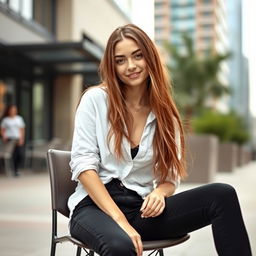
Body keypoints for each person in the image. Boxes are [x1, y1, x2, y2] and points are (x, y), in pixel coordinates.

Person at [68, 24, 252, 256]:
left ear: (150, 57)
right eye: (120, 60)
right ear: (112, 66)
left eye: (137, 56)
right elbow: (84, 166)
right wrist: (120, 221)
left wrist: (159, 193)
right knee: (120, 246)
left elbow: (169, 178)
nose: (131, 66)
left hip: (140, 209)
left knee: (222, 195)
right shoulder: (95, 100)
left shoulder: (165, 114)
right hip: (94, 208)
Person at [0, 104, 25, 176]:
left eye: (14, 109)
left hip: (17, 139)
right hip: (9, 139)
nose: (13, 111)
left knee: (19, 154)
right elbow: (2, 129)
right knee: (10, 155)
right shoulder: (5, 120)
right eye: (12, 110)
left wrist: (21, 138)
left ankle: (16, 170)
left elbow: (22, 129)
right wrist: (4, 136)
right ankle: (11, 170)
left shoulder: (19, 119)